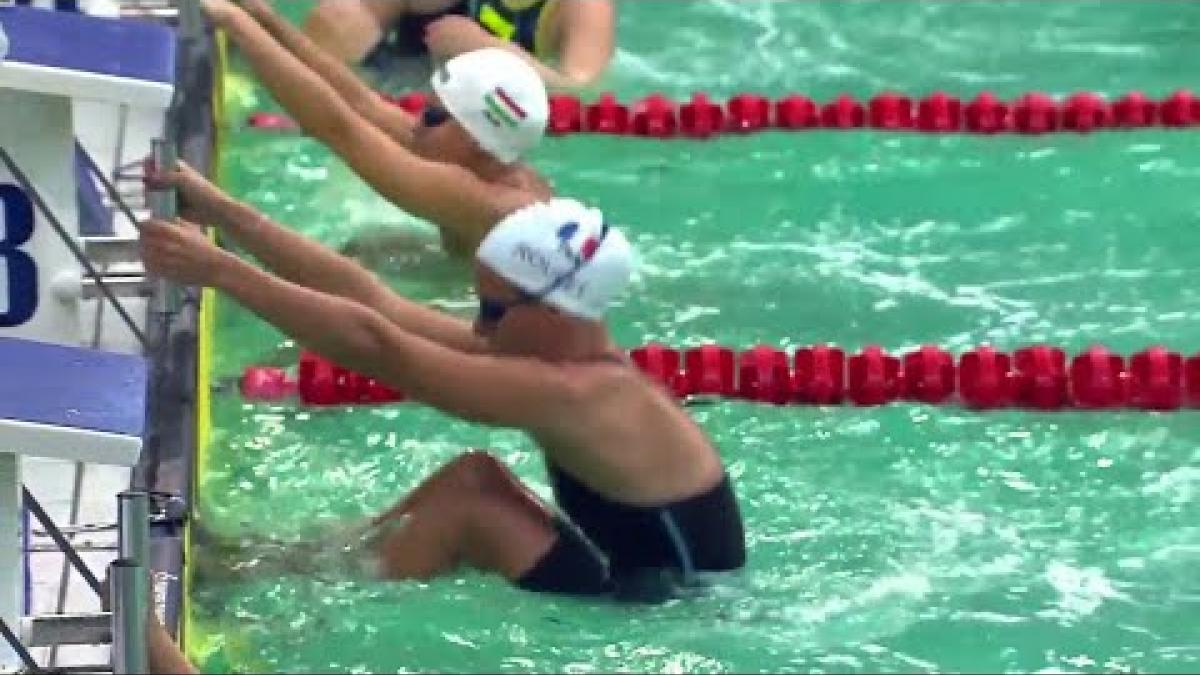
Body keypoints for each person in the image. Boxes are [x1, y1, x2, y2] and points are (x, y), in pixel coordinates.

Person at [139, 175, 747, 600]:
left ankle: (309, 593)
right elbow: (373, 301)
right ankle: (297, 562)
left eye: (491, 306)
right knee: (474, 478)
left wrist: (218, 271)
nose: (479, 324)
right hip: (631, 569)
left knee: (471, 504)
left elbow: (380, 347)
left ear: (557, 312)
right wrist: (222, 213)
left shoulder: (576, 395)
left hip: (667, 608)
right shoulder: (557, 359)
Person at [204, 0, 554, 258]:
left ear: (478, 143)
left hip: (485, 318)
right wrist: (264, 20)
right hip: (466, 271)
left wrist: (237, 26)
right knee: (366, 250)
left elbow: (339, 128)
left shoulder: (490, 205)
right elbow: (362, 102)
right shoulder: (468, 150)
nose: (417, 124)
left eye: (432, 117)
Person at [302, 0, 615, 91]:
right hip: (395, 99)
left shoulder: (583, 6)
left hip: (495, 127)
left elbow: (584, 93)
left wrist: (490, 51)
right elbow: (341, 21)